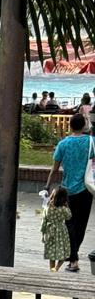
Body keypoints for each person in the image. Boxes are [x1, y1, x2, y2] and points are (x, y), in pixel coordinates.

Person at [44, 113, 93, 271]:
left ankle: (73, 259)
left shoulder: (63, 144)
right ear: (84, 125)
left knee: (69, 225)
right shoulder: (91, 142)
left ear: (70, 126)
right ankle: (74, 256)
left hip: (67, 191)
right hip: (86, 189)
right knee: (81, 224)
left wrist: (47, 186)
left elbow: (54, 169)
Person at [41, 185, 71, 271]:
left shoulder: (48, 208)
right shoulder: (64, 209)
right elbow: (69, 216)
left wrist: (43, 234)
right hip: (61, 231)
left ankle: (52, 269)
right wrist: (67, 206)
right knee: (65, 251)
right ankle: (57, 268)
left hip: (49, 230)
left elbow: (44, 221)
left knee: (52, 253)